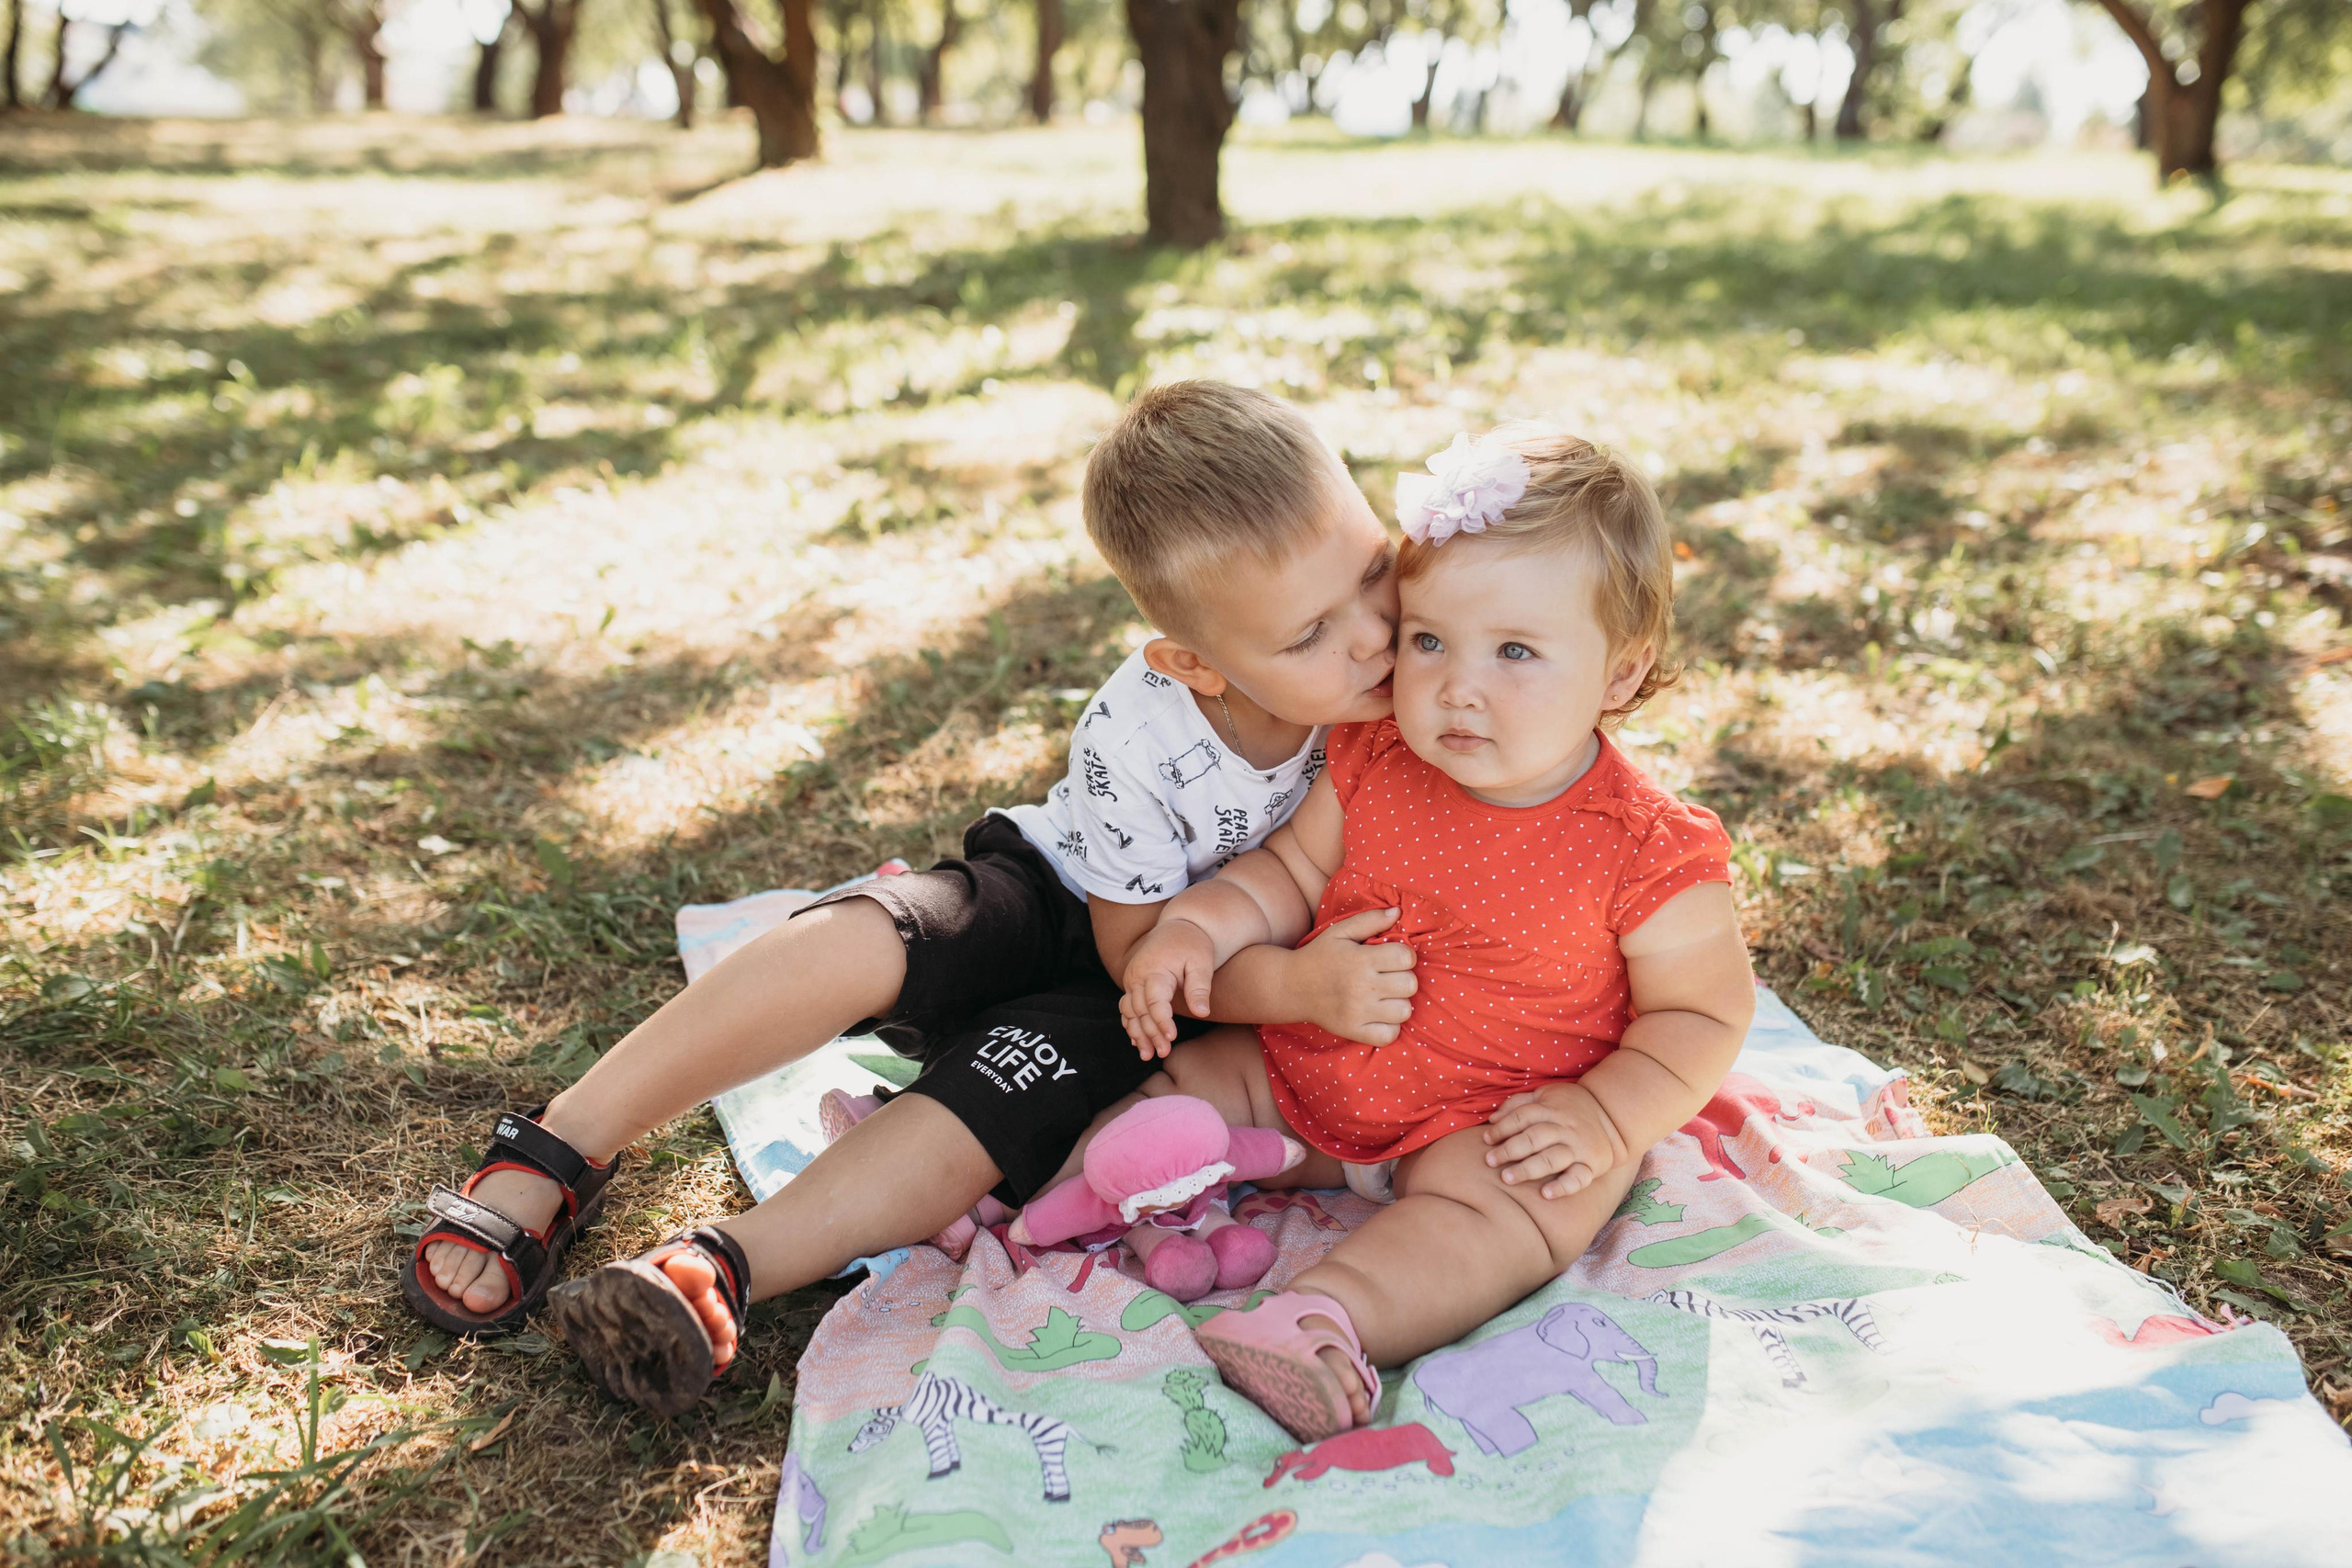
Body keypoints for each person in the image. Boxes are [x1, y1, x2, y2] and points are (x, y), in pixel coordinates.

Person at [399, 380, 1420, 1416]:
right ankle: (566, 1139)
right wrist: (1294, 986)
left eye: (1374, 570)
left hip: (1161, 1016)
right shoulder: (1140, 732)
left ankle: (717, 1269)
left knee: (989, 1103)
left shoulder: (1421, 676)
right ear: (1193, 663)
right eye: (1307, 634)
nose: (1371, 636)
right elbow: (1135, 954)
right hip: (1090, 912)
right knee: (885, 932)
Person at [1114, 428, 1756, 1443]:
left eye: (1514, 652)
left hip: (1494, 1124)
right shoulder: (1376, 757)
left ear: (1620, 673)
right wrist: (1195, 926)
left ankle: (1319, 1321)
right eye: (1428, 641)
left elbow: (1703, 1012)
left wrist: (1606, 1113)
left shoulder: (1645, 847)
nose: (1457, 685)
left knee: (1514, 1214)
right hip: (1311, 1070)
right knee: (1177, 1089)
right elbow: (1286, 874)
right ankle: (1046, 1193)